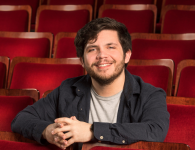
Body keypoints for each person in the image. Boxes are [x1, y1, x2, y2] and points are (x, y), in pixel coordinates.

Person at [11, 17, 170, 150]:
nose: (102, 55)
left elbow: (155, 131)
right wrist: (48, 131)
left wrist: (91, 131)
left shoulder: (150, 95)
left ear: (127, 55)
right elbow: (21, 119)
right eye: (92, 49)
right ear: (82, 61)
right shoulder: (67, 90)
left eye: (110, 47)